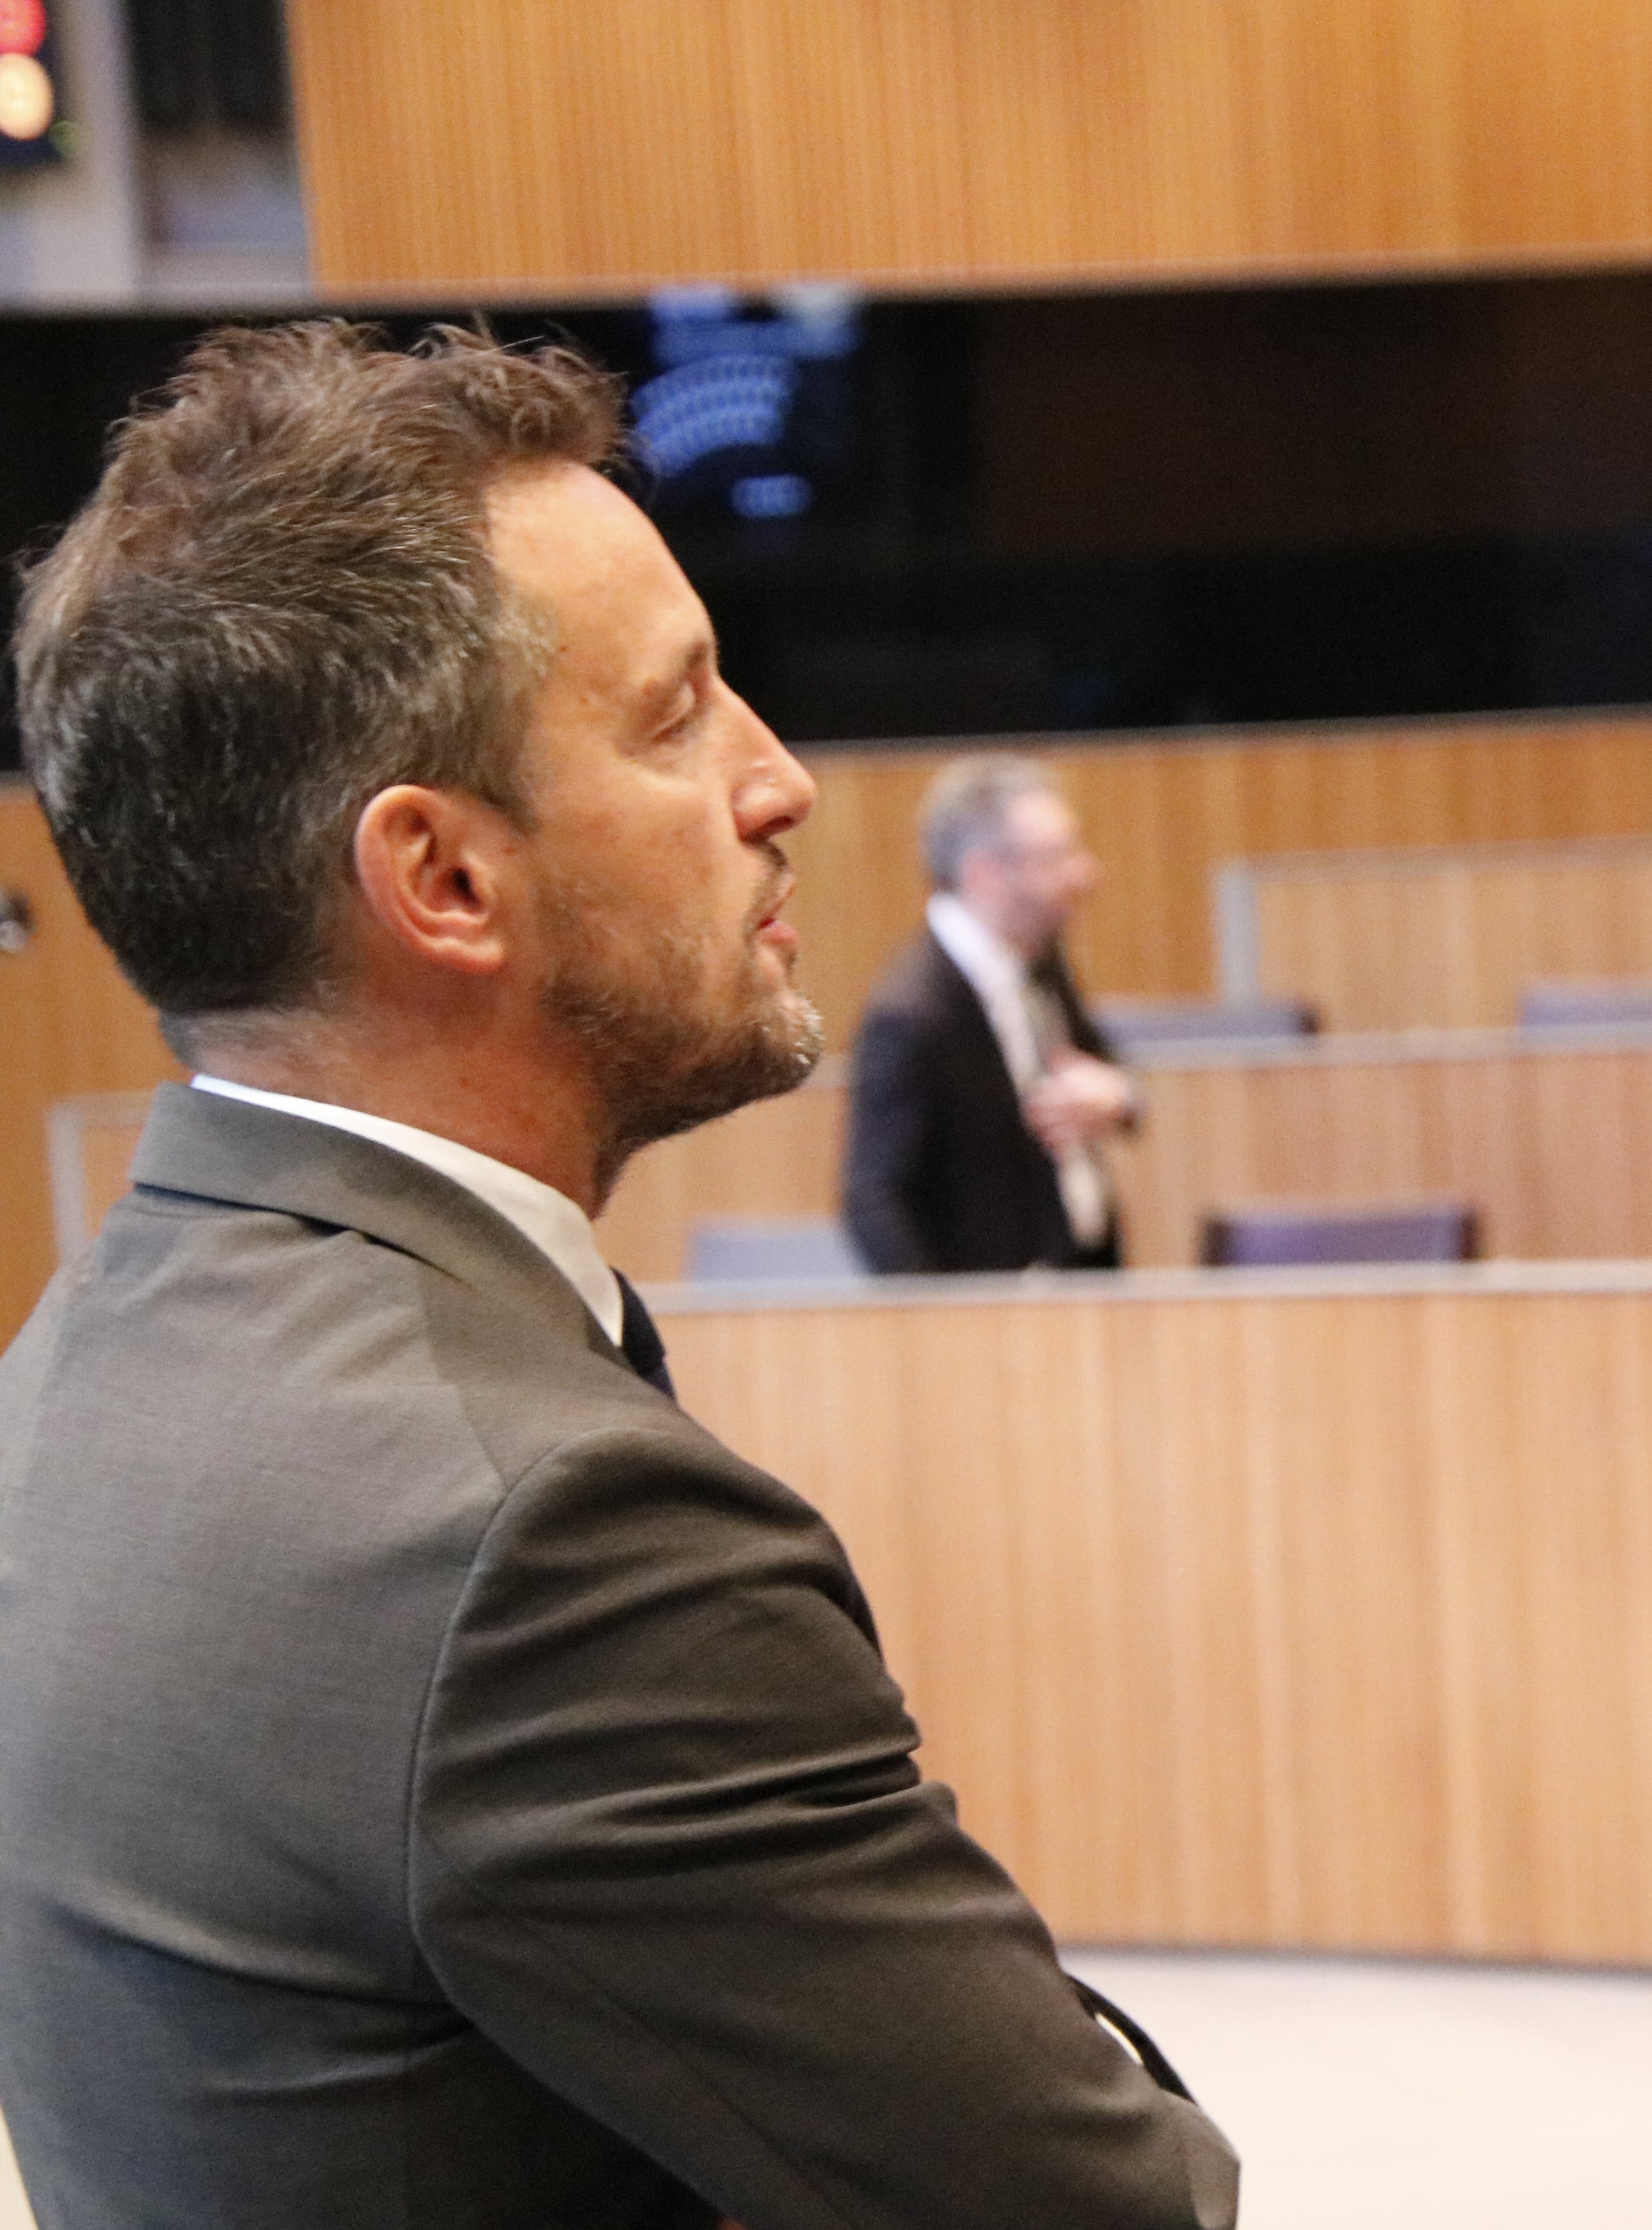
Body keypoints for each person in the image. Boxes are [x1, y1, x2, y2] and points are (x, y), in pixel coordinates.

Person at [0, 324, 1236, 2229]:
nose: (783, 781)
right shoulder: (549, 1538)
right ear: (445, 879)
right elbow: (1107, 2196)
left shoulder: (76, 1356)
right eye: (677, 718)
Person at [842, 755, 1138, 1273]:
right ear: (984, 874)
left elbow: (1100, 1068)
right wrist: (953, 1328)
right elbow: (873, 1201)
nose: (1085, 874)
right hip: (998, 1322)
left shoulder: (1041, 958)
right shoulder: (912, 1014)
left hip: (1083, 1285)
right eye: (1055, 857)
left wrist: (1120, 1096)